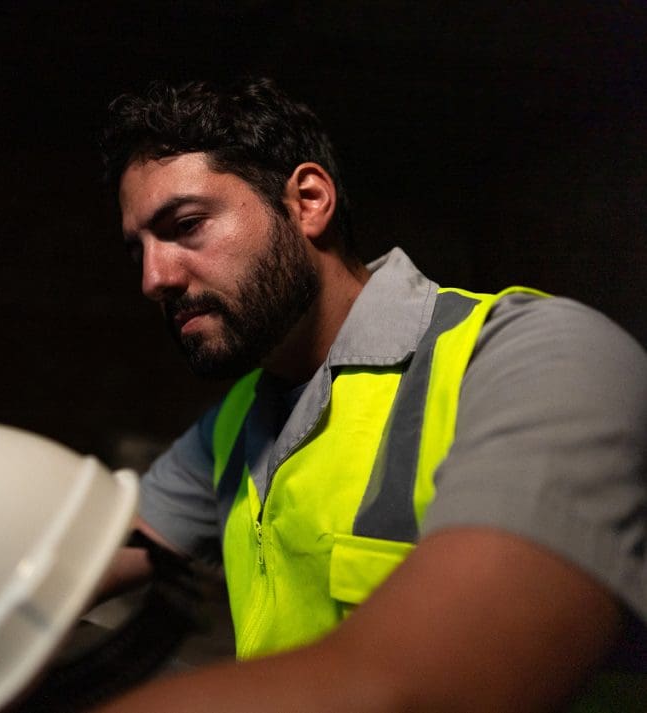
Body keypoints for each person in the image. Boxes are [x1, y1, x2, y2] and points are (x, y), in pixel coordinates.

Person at [92, 77, 647, 712]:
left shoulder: (536, 357)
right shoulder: (237, 422)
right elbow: (94, 559)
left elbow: (428, 685)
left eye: (186, 225)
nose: (153, 279)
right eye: (140, 249)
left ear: (307, 201)